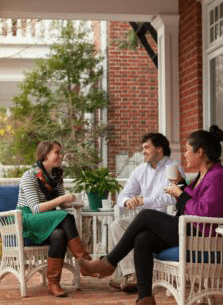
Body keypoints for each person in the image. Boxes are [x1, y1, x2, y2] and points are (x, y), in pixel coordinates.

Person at [78, 125, 223, 305]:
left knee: (146, 215)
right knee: (143, 238)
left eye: (187, 150)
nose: (184, 155)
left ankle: (109, 262)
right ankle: (145, 298)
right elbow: (192, 201)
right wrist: (183, 186)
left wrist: (180, 194)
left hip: (202, 236)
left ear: (199, 152)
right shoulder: (203, 175)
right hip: (188, 229)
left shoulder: (217, 176)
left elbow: (205, 212)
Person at [109, 132, 185, 292]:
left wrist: (144, 200)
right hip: (141, 221)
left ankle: (112, 265)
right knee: (116, 224)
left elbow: (174, 198)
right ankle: (132, 275)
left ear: (159, 148)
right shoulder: (139, 171)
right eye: (142, 148)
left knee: (143, 221)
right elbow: (123, 195)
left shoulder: (173, 168)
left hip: (166, 222)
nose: (143, 151)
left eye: (146, 147)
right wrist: (128, 201)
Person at [16, 141, 92, 298]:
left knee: (59, 234)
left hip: (48, 220)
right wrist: (62, 199)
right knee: (65, 217)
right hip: (29, 220)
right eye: (57, 152)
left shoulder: (57, 176)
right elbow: (35, 209)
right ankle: (86, 262)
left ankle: (53, 283)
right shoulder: (29, 176)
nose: (60, 156)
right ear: (45, 154)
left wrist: (71, 201)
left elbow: (61, 203)